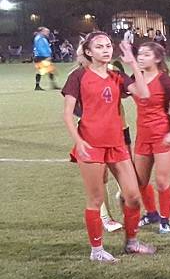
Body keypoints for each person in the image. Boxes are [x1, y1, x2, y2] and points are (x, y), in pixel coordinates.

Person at [62, 32, 156, 262]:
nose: (106, 50)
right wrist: (79, 141)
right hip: (91, 144)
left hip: (116, 144)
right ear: (88, 52)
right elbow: (67, 114)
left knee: (133, 196)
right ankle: (97, 250)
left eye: (108, 46)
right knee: (95, 199)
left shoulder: (117, 76)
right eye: (99, 47)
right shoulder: (78, 76)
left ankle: (131, 242)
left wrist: (132, 62)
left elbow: (144, 93)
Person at [131, 42, 170, 234]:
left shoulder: (164, 80)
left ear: (157, 59)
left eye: (146, 54)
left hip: (162, 136)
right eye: (139, 54)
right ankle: (151, 213)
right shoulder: (135, 78)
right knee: (140, 181)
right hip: (142, 136)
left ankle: (165, 220)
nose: (141, 57)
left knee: (162, 180)